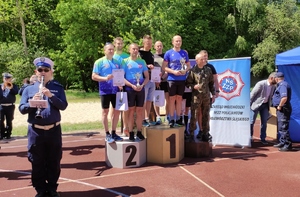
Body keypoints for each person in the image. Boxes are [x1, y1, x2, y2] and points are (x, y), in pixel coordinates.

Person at [19, 57, 68, 197]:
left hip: (53, 129)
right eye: (40, 70)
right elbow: (22, 109)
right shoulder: (29, 89)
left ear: (51, 72)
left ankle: (52, 188)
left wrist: (50, 95)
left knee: (54, 160)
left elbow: (63, 106)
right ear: (36, 71)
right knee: (37, 161)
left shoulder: (57, 88)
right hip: (36, 131)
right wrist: (31, 103)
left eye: (46, 70)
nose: (43, 72)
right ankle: (40, 189)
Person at [92, 42, 123, 143]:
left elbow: (120, 75)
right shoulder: (99, 62)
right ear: (104, 51)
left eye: (112, 49)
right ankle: (107, 133)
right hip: (105, 90)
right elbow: (94, 76)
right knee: (105, 112)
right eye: (109, 49)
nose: (111, 51)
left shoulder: (118, 62)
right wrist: (105, 78)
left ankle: (114, 132)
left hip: (116, 90)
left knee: (117, 111)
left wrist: (120, 83)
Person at [162, 35, 191, 128]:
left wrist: (184, 71)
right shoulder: (168, 53)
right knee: (171, 99)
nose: (178, 43)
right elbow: (164, 67)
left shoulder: (184, 53)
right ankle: (171, 118)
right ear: (173, 42)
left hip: (182, 79)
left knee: (179, 99)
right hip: (172, 79)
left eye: (180, 41)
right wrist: (173, 71)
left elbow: (188, 66)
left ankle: (178, 118)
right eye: (176, 41)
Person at [186, 53, 215, 141]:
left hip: (206, 96)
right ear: (197, 61)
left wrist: (213, 94)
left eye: (204, 59)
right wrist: (193, 86)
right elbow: (187, 83)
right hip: (196, 96)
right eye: (201, 59)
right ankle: (191, 133)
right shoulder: (193, 70)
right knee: (194, 115)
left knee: (206, 114)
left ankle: (205, 133)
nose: (203, 61)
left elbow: (211, 83)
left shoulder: (208, 70)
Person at [123, 43, 149, 141]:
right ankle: (130, 132)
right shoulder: (124, 62)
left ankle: (139, 132)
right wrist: (131, 85)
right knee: (131, 111)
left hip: (140, 89)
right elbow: (122, 77)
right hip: (130, 89)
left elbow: (147, 77)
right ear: (129, 50)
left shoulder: (142, 61)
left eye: (137, 49)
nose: (135, 50)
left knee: (139, 111)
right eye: (133, 49)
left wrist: (142, 85)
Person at [250, 72, 277, 144]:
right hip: (255, 105)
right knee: (251, 121)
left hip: (265, 105)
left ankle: (263, 138)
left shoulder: (273, 87)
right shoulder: (261, 84)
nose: (277, 80)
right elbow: (252, 95)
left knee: (264, 122)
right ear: (271, 78)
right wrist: (248, 105)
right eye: (276, 78)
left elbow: (271, 97)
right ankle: (250, 137)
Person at [113, 37, 130, 136]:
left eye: (121, 43)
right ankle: (113, 130)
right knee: (114, 109)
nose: (119, 45)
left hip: (125, 84)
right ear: (114, 44)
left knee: (125, 107)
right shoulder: (111, 55)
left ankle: (125, 128)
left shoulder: (126, 56)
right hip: (114, 85)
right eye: (117, 43)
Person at [272, 72, 293, 151]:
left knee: (283, 127)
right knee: (281, 126)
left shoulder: (283, 85)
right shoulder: (282, 85)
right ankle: (283, 142)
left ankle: (287, 145)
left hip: (283, 109)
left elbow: (284, 98)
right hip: (282, 109)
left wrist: (280, 106)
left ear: (277, 78)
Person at [138, 35, 155, 127]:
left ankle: (147, 117)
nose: (149, 44)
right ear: (143, 43)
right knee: (143, 100)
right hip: (143, 79)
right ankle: (142, 118)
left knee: (149, 100)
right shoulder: (139, 54)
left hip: (152, 79)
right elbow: (138, 65)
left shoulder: (151, 54)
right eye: (147, 43)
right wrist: (147, 66)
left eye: (150, 43)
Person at [153, 40, 169, 124]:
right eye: (157, 46)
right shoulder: (152, 57)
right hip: (155, 82)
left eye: (160, 46)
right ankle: (158, 117)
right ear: (154, 47)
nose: (159, 47)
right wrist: (156, 80)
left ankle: (166, 117)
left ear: (162, 47)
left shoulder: (166, 57)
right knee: (156, 99)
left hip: (165, 80)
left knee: (168, 99)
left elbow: (167, 70)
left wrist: (162, 78)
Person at [0, 72, 19, 139]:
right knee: (0, 120)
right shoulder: (0, 86)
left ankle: (8, 134)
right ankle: (1, 133)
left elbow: (16, 92)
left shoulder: (14, 86)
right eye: (5, 78)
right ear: (3, 79)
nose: (7, 79)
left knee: (9, 120)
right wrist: (2, 89)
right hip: (1, 106)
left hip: (10, 106)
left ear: (11, 79)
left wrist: (10, 88)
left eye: (8, 78)